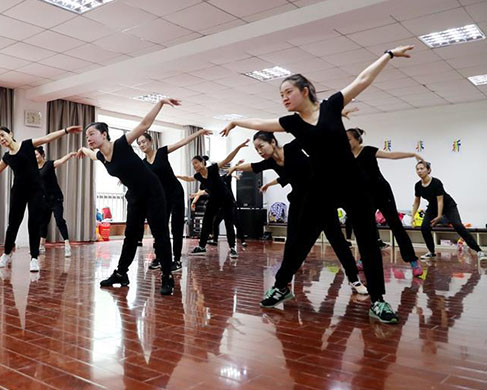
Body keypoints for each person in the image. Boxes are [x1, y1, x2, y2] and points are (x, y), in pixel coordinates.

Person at [220, 45, 417, 323]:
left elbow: (362, 80)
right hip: (321, 188)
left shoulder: (331, 106)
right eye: (281, 95)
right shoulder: (292, 123)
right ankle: (281, 286)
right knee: (299, 240)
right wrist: (236, 121)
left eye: (288, 92)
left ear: (305, 90)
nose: (284, 98)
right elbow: (259, 121)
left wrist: (388, 55)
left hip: (354, 185)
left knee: (367, 241)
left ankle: (379, 300)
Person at [231, 132, 367, 295]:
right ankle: (285, 279)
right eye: (256, 149)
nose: (259, 151)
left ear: (273, 142)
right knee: (292, 244)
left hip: (321, 200)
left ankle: (354, 279)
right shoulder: (270, 163)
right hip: (299, 203)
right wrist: (235, 167)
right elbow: (253, 166)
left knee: (338, 242)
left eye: (261, 146)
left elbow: (309, 134)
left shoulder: (292, 148)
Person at [77, 97, 180, 296]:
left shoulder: (121, 145)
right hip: (135, 195)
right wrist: (82, 150)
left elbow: (144, 124)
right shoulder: (101, 156)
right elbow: (91, 155)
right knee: (131, 236)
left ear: (104, 134)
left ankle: (167, 276)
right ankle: (121, 274)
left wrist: (160, 102)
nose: (88, 138)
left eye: (92, 134)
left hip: (153, 192)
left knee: (160, 234)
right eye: (86, 136)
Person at [0, 125, 82, 272]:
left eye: (3, 135)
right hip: (18, 192)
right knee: (13, 224)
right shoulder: (7, 157)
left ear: (11, 134)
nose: (2, 139)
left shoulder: (27, 145)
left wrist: (65, 131)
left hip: (35, 191)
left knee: (34, 225)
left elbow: (47, 138)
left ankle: (34, 258)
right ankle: (6, 253)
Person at [346, 126, 424, 277]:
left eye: (348, 139)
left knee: (396, 225)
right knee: (365, 229)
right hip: (365, 196)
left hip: (382, 192)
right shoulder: (346, 156)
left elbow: (391, 155)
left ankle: (413, 261)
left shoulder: (368, 150)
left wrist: (412, 154)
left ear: (357, 139)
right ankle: (364, 259)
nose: (346, 142)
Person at [136, 128, 212, 271]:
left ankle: (176, 260)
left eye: (144, 141)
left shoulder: (162, 152)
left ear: (151, 141)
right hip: (161, 197)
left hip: (175, 193)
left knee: (176, 228)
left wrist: (199, 133)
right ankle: (160, 257)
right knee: (160, 228)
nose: (142, 145)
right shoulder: (143, 163)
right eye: (139, 143)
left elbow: (182, 142)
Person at [178, 140, 249, 259]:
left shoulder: (213, 169)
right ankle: (201, 246)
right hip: (214, 200)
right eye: (193, 164)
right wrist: (176, 176)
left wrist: (238, 147)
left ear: (202, 162)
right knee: (207, 221)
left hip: (226, 199)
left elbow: (227, 159)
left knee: (229, 223)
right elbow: (188, 178)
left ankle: (232, 248)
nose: (194, 166)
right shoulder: (198, 176)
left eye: (196, 163)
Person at [412, 161, 485, 261]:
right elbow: (416, 201)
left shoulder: (436, 183)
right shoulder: (418, 185)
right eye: (417, 169)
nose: (419, 171)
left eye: (422, 168)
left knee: (458, 225)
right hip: (433, 207)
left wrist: (439, 216)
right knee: (424, 227)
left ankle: (478, 250)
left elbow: (440, 200)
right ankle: (431, 252)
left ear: (428, 170)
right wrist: (412, 217)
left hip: (448, 206)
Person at [35, 146, 75, 258]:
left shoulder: (49, 164)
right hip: (43, 200)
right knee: (43, 223)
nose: (35, 157)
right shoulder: (34, 169)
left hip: (55, 199)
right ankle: (41, 246)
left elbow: (61, 161)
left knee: (59, 221)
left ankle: (67, 245)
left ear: (42, 155)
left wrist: (70, 155)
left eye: (36, 154)